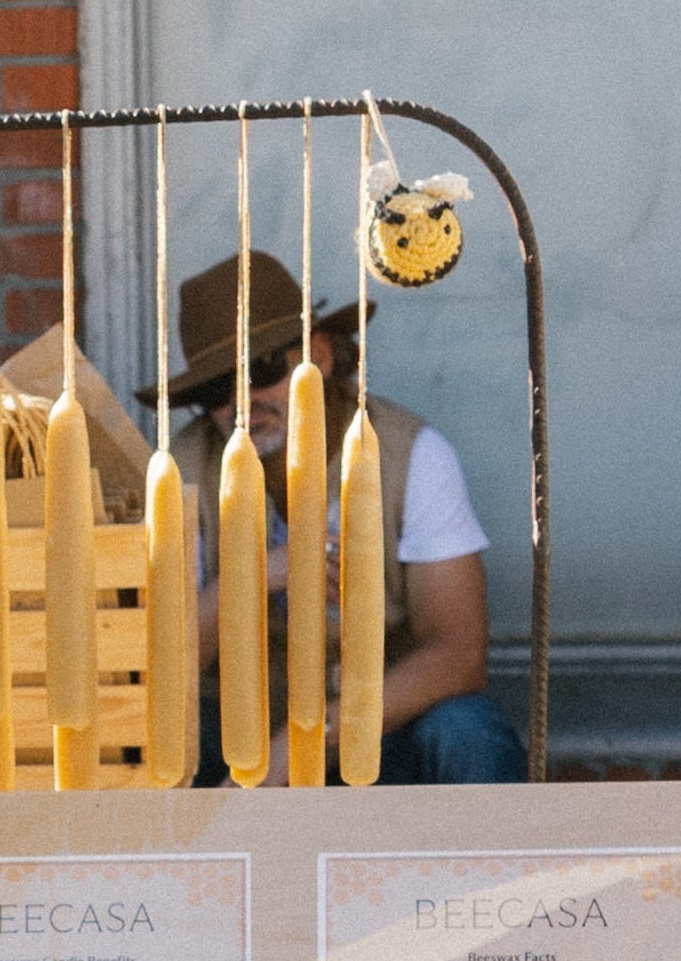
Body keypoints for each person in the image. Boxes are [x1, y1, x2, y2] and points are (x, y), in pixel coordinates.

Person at [150, 250, 526, 785]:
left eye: (260, 371)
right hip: (235, 731)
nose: (243, 403)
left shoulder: (408, 454)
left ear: (319, 357)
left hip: (371, 727)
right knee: (144, 735)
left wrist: (307, 739)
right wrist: (253, 576)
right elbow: (164, 670)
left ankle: (494, 873)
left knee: (469, 732)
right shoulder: (182, 467)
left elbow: (459, 655)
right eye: (216, 388)